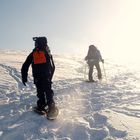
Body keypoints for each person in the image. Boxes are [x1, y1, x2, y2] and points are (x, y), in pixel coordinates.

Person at [21, 36, 56, 113]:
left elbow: (25, 65)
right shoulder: (47, 52)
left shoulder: (34, 53)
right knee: (48, 90)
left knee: (40, 91)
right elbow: (53, 66)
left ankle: (41, 105)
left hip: (37, 76)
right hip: (47, 75)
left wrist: (24, 77)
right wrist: (50, 76)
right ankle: (51, 107)